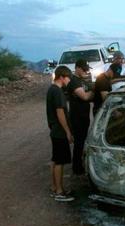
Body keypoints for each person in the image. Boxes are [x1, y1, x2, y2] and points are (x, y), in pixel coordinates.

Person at [46, 66, 75, 202]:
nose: (69, 81)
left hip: (55, 131)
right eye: (68, 78)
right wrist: (68, 132)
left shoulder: (52, 89)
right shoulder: (57, 91)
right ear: (62, 77)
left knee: (55, 159)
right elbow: (60, 113)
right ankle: (59, 191)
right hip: (59, 132)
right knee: (60, 162)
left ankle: (54, 187)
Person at [67, 59, 94, 175]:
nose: (85, 71)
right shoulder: (74, 81)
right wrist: (94, 90)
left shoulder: (81, 80)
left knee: (82, 141)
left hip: (83, 116)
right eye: (83, 69)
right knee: (79, 143)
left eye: (86, 69)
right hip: (77, 117)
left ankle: (79, 164)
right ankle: (77, 168)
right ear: (77, 68)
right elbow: (84, 97)